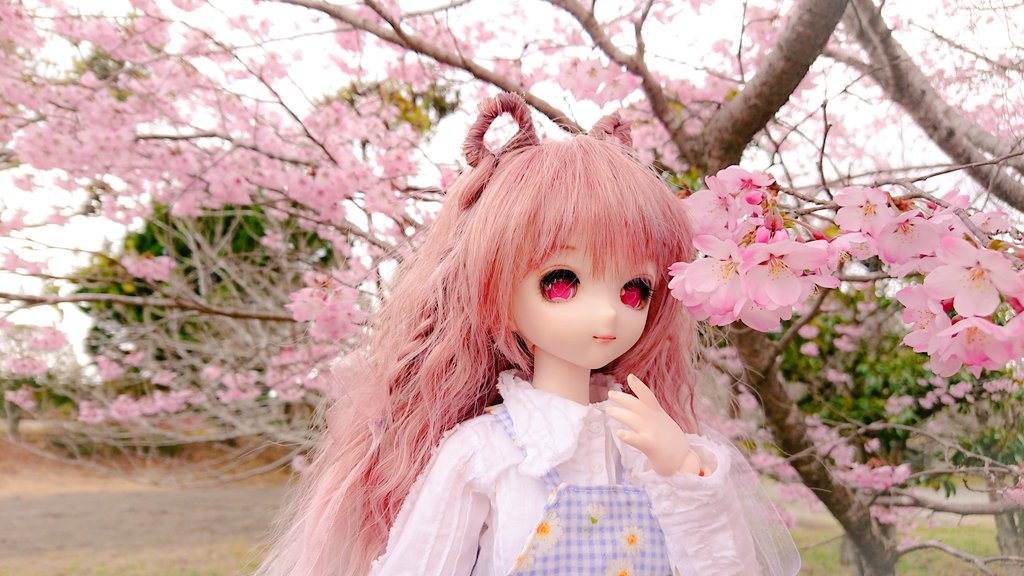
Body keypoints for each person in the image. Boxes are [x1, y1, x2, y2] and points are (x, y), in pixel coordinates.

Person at [255, 92, 799, 576]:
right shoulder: (485, 453)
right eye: (562, 282)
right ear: (496, 291)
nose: (609, 314)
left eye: (635, 290)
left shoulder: (645, 445)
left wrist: (683, 472)